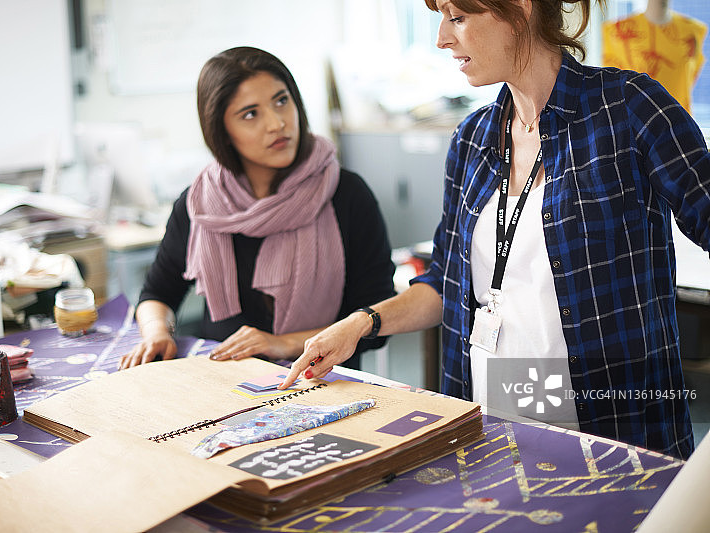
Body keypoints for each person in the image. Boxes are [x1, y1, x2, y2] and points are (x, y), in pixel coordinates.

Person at [281, 0, 710, 460]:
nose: (442, 39)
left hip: (611, 423)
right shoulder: (473, 138)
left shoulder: (626, 108)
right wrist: (359, 324)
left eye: (458, 18)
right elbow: (445, 282)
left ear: (519, 9)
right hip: (495, 412)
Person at [118, 46, 395, 371]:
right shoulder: (201, 202)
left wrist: (282, 343)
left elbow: (377, 319)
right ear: (221, 130)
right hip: (224, 381)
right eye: (251, 114)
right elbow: (157, 293)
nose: (277, 123)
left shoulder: (346, 194)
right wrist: (156, 333)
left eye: (282, 101)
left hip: (321, 383)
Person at [603, 0, 707, 114]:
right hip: (637, 119)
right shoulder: (614, 31)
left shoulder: (693, 31)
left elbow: (691, 77)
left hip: (680, 119)